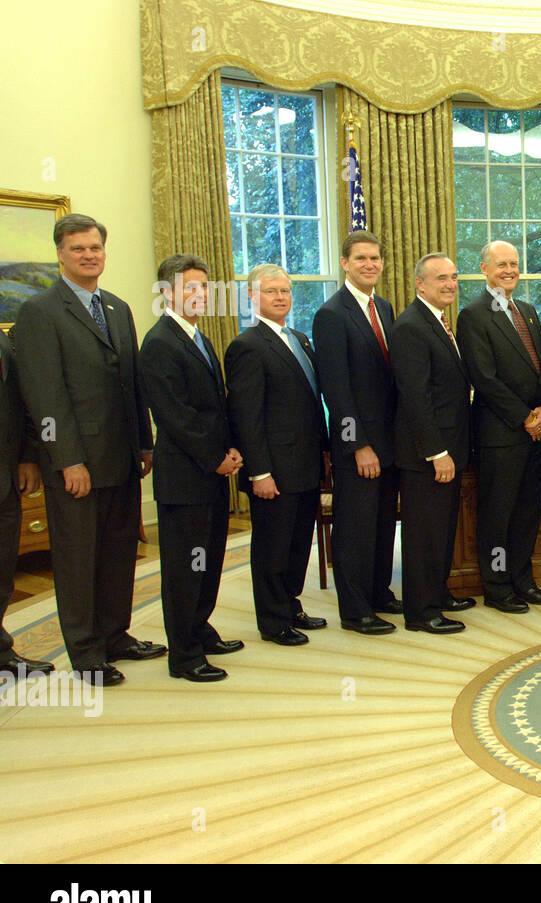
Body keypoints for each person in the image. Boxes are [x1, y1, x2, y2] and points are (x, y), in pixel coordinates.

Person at [13, 213, 163, 686]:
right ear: (61, 253)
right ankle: (86, 652)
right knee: (79, 560)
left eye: (95, 247)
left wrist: (144, 442)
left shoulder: (117, 308)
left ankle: (116, 635)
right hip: (76, 464)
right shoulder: (40, 312)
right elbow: (45, 396)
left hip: (122, 459)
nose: (88, 255)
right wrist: (67, 459)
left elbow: (132, 384)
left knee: (119, 553)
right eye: (78, 248)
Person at [139, 254, 245, 682]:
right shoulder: (160, 341)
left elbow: (216, 407)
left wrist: (232, 449)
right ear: (167, 292)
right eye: (190, 288)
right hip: (186, 478)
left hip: (213, 474)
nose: (199, 295)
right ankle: (184, 656)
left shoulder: (200, 338)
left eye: (204, 287)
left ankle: (200, 628)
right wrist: (215, 458)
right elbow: (174, 415)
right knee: (185, 569)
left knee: (210, 560)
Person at [224, 264, 329, 646]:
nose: (281, 297)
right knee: (272, 546)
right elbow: (246, 416)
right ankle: (273, 621)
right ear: (253, 296)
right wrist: (259, 472)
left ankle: (290, 604)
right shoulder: (246, 346)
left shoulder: (299, 339)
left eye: (285, 290)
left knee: (299, 541)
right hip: (273, 470)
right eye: (271, 291)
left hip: (305, 463)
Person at [456, 240, 541, 614]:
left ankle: (522, 579)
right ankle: (497, 587)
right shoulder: (473, 314)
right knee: (498, 517)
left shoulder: (528, 311)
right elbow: (484, 378)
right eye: (501, 265)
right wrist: (524, 418)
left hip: (535, 435)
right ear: (484, 268)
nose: (509, 270)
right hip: (501, 436)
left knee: (528, 511)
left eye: (514, 264)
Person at [312, 229, 401, 635]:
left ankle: (379, 592)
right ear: (345, 263)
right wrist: (358, 445)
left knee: (383, 523)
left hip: (390, 441)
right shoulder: (331, 314)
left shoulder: (383, 306)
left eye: (376, 258)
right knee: (356, 529)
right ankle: (355, 609)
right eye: (361, 258)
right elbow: (337, 389)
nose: (370, 264)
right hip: (359, 445)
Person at [390, 253, 473, 635]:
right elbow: (415, 397)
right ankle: (421, 612)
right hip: (427, 455)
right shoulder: (410, 326)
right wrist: (437, 452)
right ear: (420, 284)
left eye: (454, 277)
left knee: (441, 529)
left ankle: (437, 594)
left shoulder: (439, 322)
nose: (450, 284)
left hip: (449, 448)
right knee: (424, 534)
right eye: (441, 278)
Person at [0, 329, 50, 679]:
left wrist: (27, 457)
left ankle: (2, 653)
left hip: (6, 480)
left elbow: (22, 401)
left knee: (3, 573)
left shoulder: (6, 341)